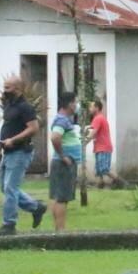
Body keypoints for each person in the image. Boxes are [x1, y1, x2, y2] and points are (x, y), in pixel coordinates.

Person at [0, 74, 48, 236]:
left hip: (20, 152)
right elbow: (7, 129)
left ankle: (9, 224)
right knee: (5, 187)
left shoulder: (25, 107)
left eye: (8, 87)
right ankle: (36, 207)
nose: (4, 90)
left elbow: (33, 128)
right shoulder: (9, 106)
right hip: (8, 152)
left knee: (10, 188)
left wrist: (13, 140)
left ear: (17, 89)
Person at [48, 92, 83, 231]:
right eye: (76, 102)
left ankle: (59, 229)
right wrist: (63, 156)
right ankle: (61, 230)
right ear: (69, 104)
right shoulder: (62, 120)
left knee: (59, 197)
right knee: (62, 198)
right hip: (63, 164)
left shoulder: (64, 120)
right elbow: (55, 138)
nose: (77, 105)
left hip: (63, 162)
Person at [88, 99, 120, 188]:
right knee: (99, 170)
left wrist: (85, 142)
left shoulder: (98, 118)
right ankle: (99, 185)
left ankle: (119, 181)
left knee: (104, 168)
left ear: (97, 108)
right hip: (100, 147)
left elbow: (92, 132)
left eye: (91, 107)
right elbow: (92, 132)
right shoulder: (98, 118)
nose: (89, 109)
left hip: (103, 147)